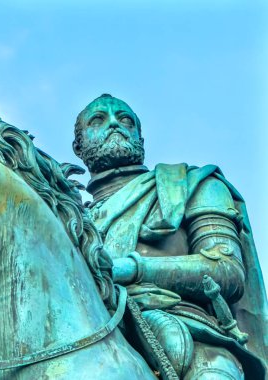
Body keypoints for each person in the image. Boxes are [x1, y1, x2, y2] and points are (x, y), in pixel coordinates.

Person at [73, 94, 267, 379]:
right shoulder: (72, 221)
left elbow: (228, 271)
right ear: (78, 145)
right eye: (98, 120)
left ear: (141, 137)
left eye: (126, 120)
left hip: (192, 336)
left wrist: (131, 268)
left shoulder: (191, 184)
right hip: (90, 336)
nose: (115, 124)